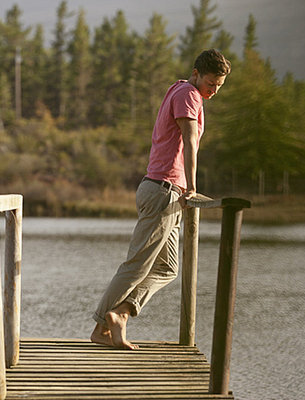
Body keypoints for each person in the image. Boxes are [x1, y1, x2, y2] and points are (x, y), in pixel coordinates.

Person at [90, 49, 231, 350]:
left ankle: (120, 314)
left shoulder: (182, 91)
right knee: (137, 264)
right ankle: (101, 325)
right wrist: (192, 186)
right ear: (196, 74)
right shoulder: (188, 94)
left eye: (218, 86)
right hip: (163, 191)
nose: (213, 91)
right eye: (210, 83)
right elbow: (190, 141)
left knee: (167, 268)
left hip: (167, 192)